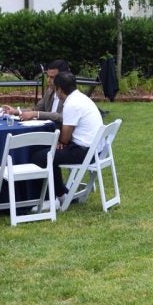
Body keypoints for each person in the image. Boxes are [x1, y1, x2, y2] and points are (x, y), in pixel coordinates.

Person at [49, 71, 106, 207]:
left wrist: (60, 142)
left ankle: (54, 196)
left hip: (84, 152)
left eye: (55, 89)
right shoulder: (81, 98)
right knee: (49, 154)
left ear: (60, 89)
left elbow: (64, 138)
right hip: (95, 150)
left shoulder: (71, 104)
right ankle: (61, 194)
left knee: (41, 156)